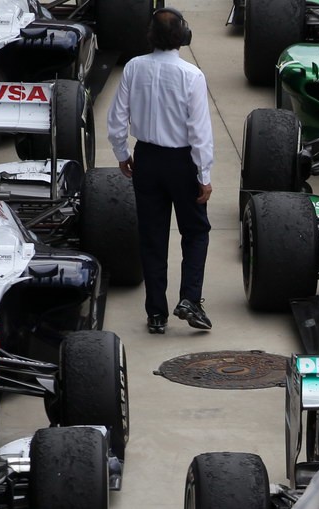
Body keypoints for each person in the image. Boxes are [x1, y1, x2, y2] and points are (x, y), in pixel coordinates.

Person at [106, 7, 214, 335]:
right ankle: (190, 300)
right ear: (183, 36)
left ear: (150, 36)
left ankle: (156, 314)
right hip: (182, 162)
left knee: (152, 237)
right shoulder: (192, 75)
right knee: (195, 232)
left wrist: (123, 153)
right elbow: (199, 132)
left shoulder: (134, 68)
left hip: (147, 160)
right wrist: (204, 175)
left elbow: (116, 120)